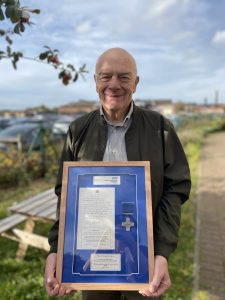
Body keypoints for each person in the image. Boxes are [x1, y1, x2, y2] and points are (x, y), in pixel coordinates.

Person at [44, 47, 191, 299]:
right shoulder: (77, 130)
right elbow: (65, 195)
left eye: (124, 77)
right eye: (106, 76)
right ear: (95, 82)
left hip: (143, 257)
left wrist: (161, 252)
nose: (114, 85)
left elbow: (174, 189)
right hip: (90, 256)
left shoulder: (160, 129)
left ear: (136, 83)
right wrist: (57, 250)